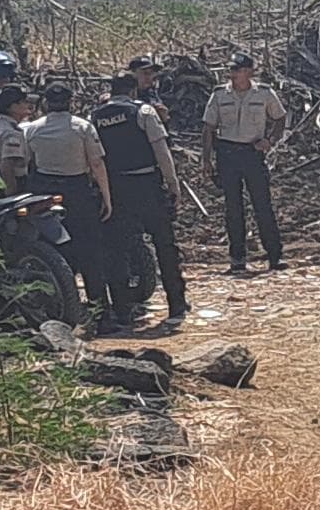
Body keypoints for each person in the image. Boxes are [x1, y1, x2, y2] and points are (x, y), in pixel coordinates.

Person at [23, 83, 124, 332]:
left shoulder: (32, 130)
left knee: (52, 251)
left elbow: (28, 164)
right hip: (77, 192)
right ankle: (100, 314)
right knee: (90, 252)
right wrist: (107, 198)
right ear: (71, 102)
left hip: (43, 193)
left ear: (46, 103)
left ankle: (58, 311)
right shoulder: (82, 127)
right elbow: (97, 164)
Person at [93, 72, 188, 327]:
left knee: (117, 249)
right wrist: (173, 184)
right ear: (134, 90)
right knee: (164, 244)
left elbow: (94, 157)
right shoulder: (143, 111)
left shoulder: (95, 117)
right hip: (146, 186)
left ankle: (122, 309)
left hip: (115, 188)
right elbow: (161, 151)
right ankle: (176, 303)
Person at [202, 54, 287, 276]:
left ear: (249, 71)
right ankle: (237, 258)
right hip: (227, 154)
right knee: (233, 208)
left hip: (252, 153)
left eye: (238, 70)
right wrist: (206, 159)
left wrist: (270, 140)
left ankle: (275, 256)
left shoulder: (264, 93)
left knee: (262, 205)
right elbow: (208, 127)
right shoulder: (220, 95)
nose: (234, 74)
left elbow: (280, 118)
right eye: (232, 70)